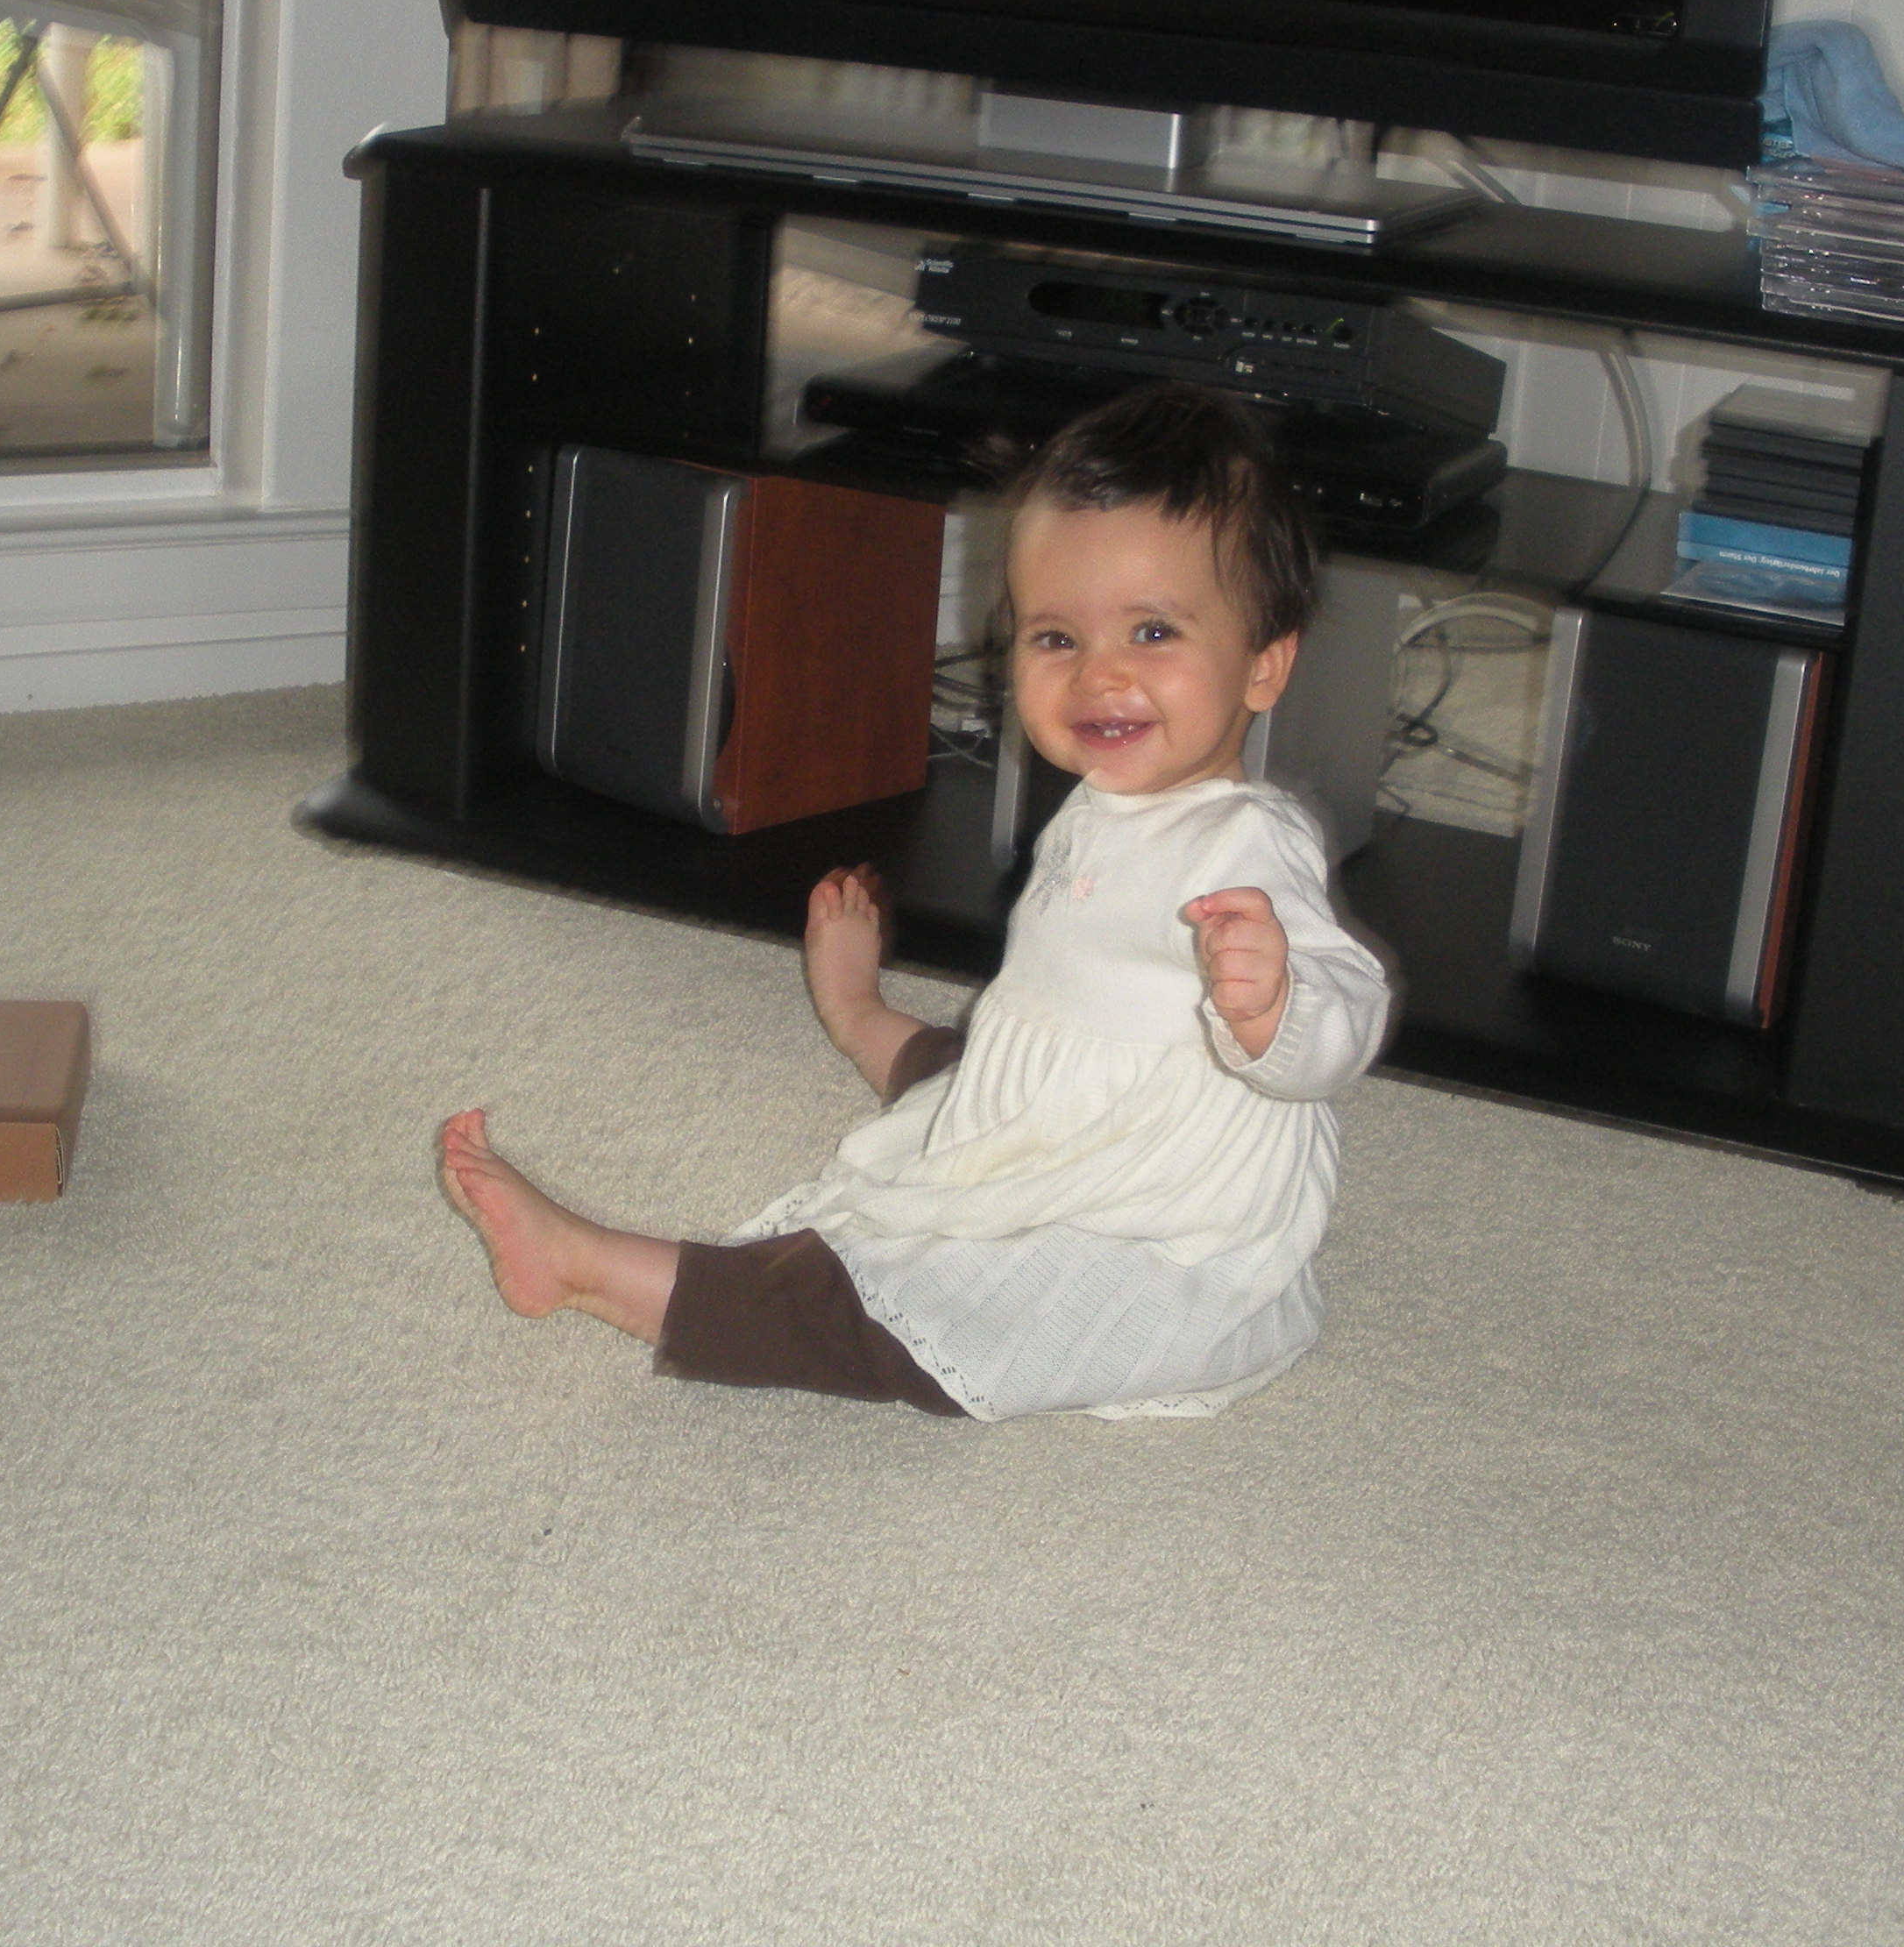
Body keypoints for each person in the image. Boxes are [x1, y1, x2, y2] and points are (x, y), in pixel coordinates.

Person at [437, 381, 1393, 1419]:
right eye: (1055, 638)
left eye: (1153, 632)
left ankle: (593, 1268)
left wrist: (1280, 1007)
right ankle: (861, 1016)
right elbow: (1049, 1031)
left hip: (1154, 1207)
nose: (1098, 676)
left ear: (1264, 666)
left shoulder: (1247, 840)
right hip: (1068, 1104)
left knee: (929, 1314)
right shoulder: (1107, 801)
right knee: (972, 1073)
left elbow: (1350, 1007)